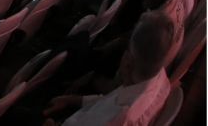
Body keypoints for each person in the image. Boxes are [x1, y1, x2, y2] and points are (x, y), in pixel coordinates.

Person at [43, 11, 174, 126]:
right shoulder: (160, 80)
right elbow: (109, 103)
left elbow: (111, 112)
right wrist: (71, 100)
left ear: (128, 62)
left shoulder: (121, 117)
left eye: (126, 50)